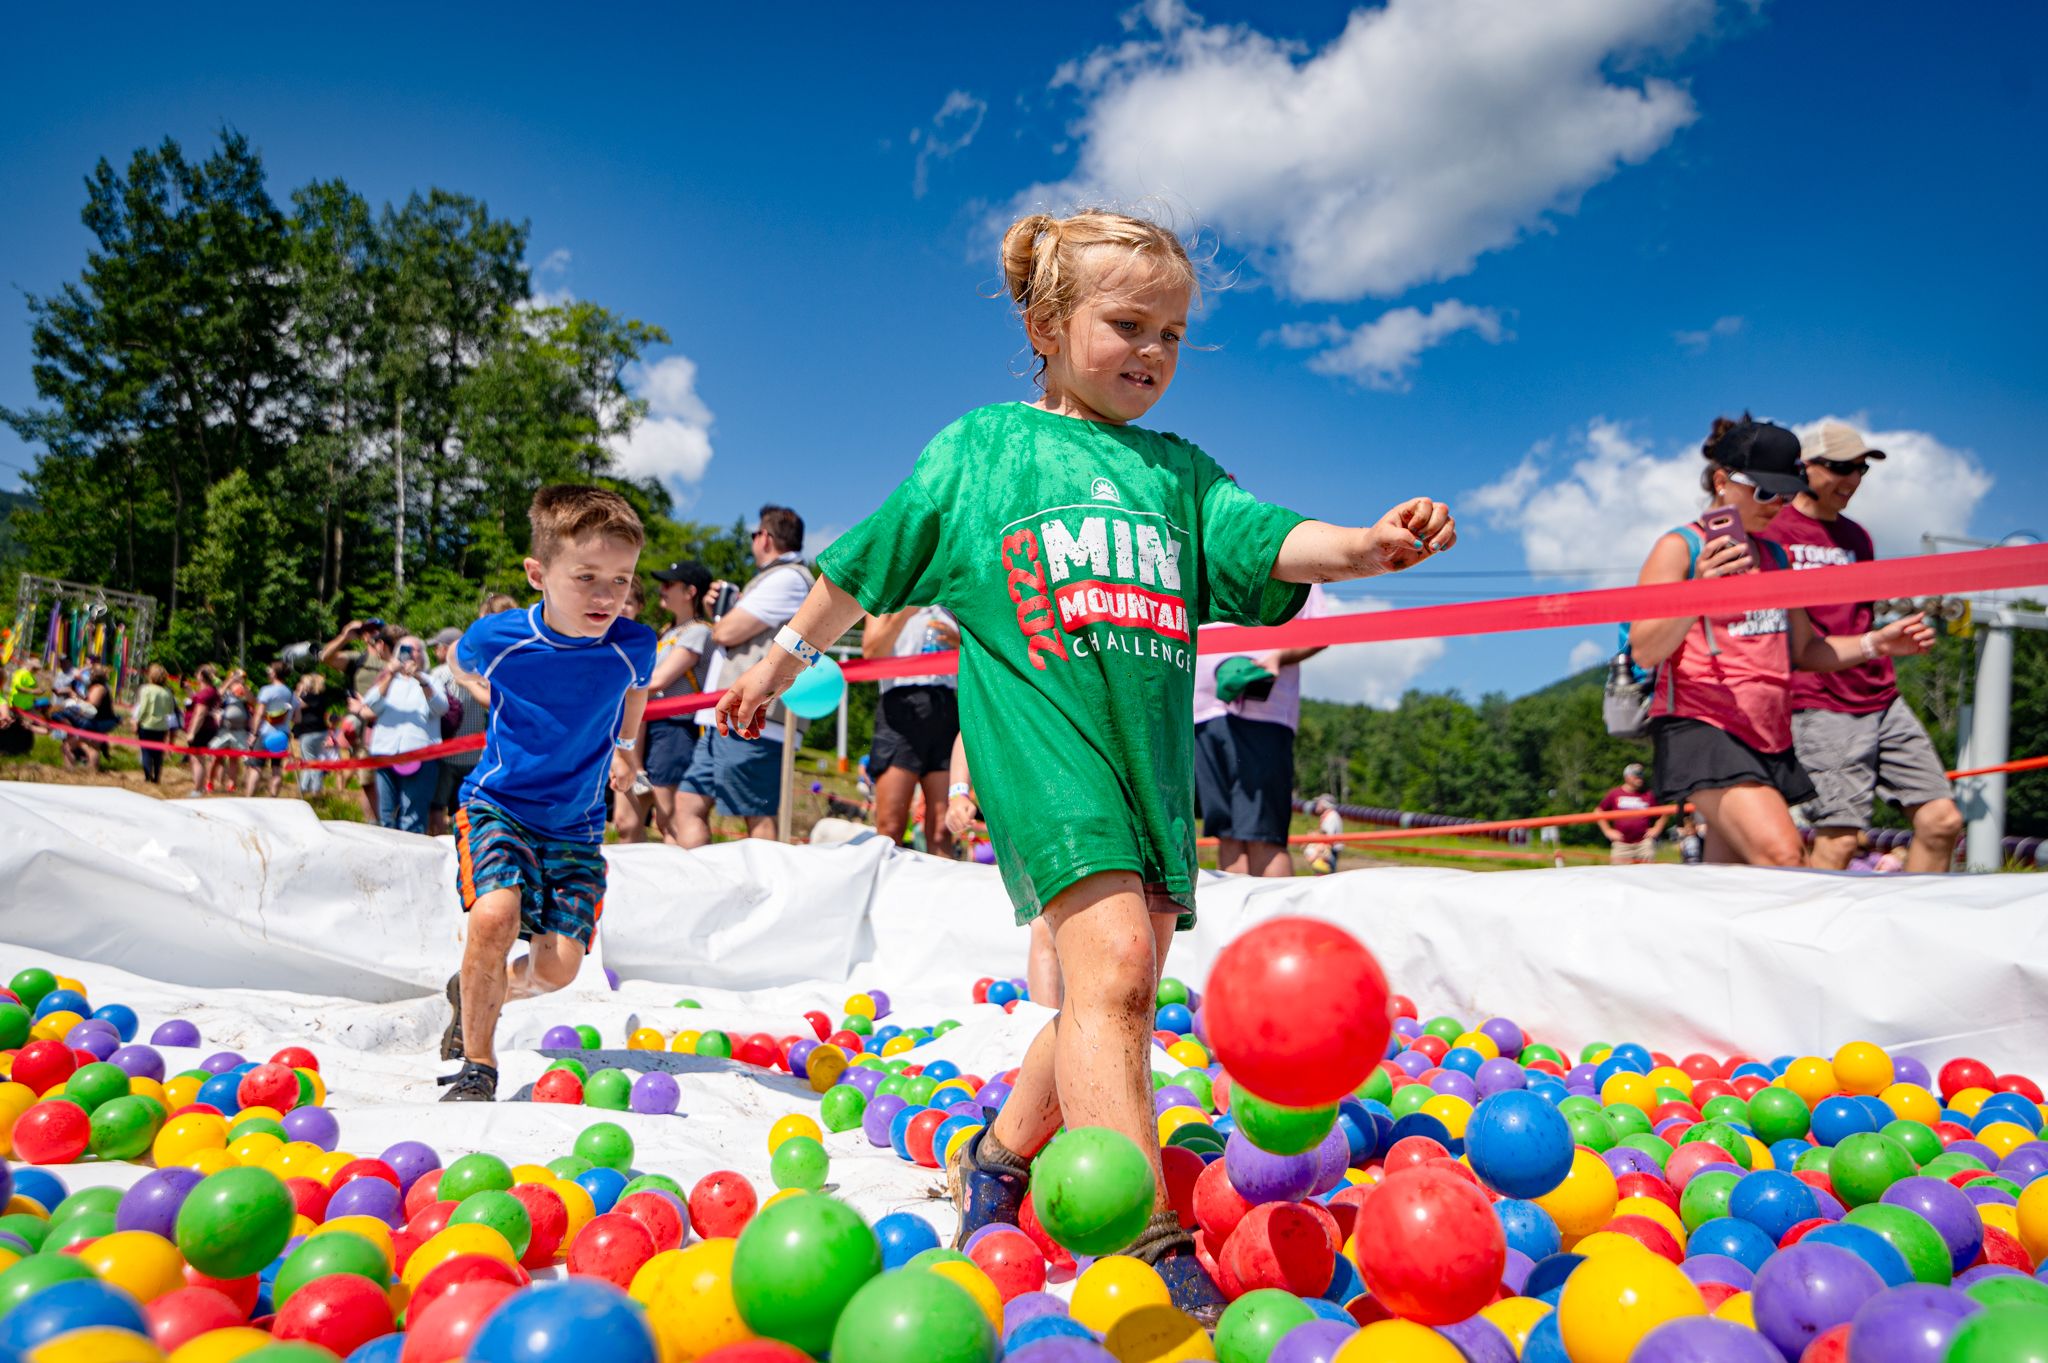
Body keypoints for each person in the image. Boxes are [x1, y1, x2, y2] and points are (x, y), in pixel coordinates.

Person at [713, 209, 1458, 1318]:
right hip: (1040, 753)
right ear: (1046, 324)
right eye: (1125, 324)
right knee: (1107, 966)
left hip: (1142, 765)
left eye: (1171, 333)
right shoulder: (984, 452)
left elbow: (1262, 538)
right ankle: (1147, 1242)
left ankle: (1001, 1162)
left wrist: (1361, 544)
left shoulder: (1177, 474)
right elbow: (868, 558)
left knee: (1119, 987)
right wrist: (780, 658)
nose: (1151, 352)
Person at [1627, 416, 1935, 868]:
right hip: (1704, 724)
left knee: (1731, 883)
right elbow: (1645, 650)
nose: (1777, 505)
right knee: (1783, 855)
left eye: (1787, 493)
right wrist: (1700, 593)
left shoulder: (1775, 556)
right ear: (1721, 481)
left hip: (1767, 733)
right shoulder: (1680, 546)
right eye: (1765, 492)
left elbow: (1805, 653)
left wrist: (1879, 643)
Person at [437, 485, 655, 1102]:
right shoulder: (501, 638)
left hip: (576, 824)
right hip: (497, 804)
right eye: (587, 576)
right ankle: (478, 1065)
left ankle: (477, 988)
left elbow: (636, 688)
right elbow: (459, 655)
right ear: (539, 573)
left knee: (557, 970)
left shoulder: (632, 643)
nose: (606, 595)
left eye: (620, 579)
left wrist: (623, 744)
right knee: (496, 913)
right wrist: (478, 689)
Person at [1758, 420, 1963, 873]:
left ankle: (1911, 935)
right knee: (1840, 838)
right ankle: (1807, 939)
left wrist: (1898, 641)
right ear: (1802, 467)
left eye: (1860, 470)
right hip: (1818, 698)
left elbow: (1862, 619)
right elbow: (1792, 643)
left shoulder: (1858, 537)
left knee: (1942, 821)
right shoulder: (1775, 533)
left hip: (1881, 696)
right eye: (1839, 467)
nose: (1851, 479)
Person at [674, 506, 815, 846]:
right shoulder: (776, 579)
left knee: (757, 815)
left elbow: (725, 633)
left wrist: (720, 617)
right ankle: (703, 890)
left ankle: (766, 894)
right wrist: (722, 614)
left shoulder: (788, 577)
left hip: (755, 718)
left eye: (755, 535)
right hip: (730, 715)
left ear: (765, 537)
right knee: (688, 802)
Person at [1190, 587, 1332, 876]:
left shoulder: (1296, 552)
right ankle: (1238, 922)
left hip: (1263, 715)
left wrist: (1277, 657)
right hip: (1203, 713)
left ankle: (1278, 921)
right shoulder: (1206, 550)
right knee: (1226, 832)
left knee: (1263, 833)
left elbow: (1321, 629)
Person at [947, 733, 1062, 1006]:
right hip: (1033, 811)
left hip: (1088, 802)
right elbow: (970, 723)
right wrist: (958, 792)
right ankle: (1049, 1026)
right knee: (1046, 920)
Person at [863, 605, 962, 856]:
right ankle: (883, 892)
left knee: (942, 829)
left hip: (946, 707)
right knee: (890, 825)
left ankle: (941, 894)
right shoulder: (888, 599)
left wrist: (959, 643)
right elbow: (871, 653)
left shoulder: (949, 602)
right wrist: (904, 613)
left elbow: (980, 657)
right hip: (900, 708)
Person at [643, 560, 715, 845]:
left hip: (676, 729)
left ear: (690, 592)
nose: (661, 589)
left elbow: (659, 680)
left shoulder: (698, 631)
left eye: (668, 584)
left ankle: (687, 879)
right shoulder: (669, 630)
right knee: (663, 817)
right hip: (657, 727)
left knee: (670, 816)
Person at [363, 631, 447, 834]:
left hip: (419, 756)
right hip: (385, 752)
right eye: (404, 649)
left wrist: (419, 678)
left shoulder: (430, 680)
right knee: (386, 815)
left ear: (422, 655)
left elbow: (441, 708)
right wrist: (390, 673)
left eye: (415, 649)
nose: (409, 654)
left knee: (413, 815)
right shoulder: (388, 681)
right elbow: (371, 704)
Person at [321, 618, 398, 823]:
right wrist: (345, 636)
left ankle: (391, 821)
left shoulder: (391, 659)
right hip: (364, 728)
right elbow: (325, 657)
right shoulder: (357, 659)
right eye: (367, 631)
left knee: (392, 776)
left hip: (391, 722)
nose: (371, 634)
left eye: (376, 630)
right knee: (367, 779)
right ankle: (373, 823)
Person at [430, 625, 491, 837]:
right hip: (474, 755)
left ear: (447, 648)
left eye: (437, 647)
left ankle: (437, 842)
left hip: (447, 752)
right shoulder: (481, 673)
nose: (435, 652)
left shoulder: (440, 674)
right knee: (463, 808)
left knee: (437, 806)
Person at [1597, 762, 1666, 864]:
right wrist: (1608, 831)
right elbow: (1598, 811)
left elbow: (1663, 813)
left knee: (1649, 874)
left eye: (1641, 775)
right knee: (1619, 876)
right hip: (1621, 845)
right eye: (1636, 775)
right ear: (1627, 776)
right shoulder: (1615, 793)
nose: (1640, 778)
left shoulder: (1648, 795)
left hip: (1643, 844)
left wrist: (1657, 829)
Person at [132, 664, 179, 784]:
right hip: (162, 726)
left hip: (147, 724)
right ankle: (157, 777)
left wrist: (137, 720)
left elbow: (143, 708)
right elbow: (170, 711)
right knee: (158, 753)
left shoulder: (146, 689)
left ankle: (148, 776)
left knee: (146, 751)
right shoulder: (168, 692)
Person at [183, 664, 222, 796]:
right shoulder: (210, 690)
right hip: (208, 728)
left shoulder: (205, 693)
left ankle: (197, 789)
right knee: (199, 759)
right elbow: (197, 700)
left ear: (201, 676)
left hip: (201, 730)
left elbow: (200, 713)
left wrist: (192, 732)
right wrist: (188, 689)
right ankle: (200, 787)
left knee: (197, 760)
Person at [292, 672, 333, 797]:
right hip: (319, 731)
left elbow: (296, 704)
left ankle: (314, 789)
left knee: (311, 761)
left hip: (310, 732)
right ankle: (305, 787)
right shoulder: (321, 696)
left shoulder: (311, 696)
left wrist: (298, 692)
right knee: (309, 760)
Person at [1301, 794, 1345, 874]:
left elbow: (1327, 838)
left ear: (1325, 804)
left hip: (1328, 853)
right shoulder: (1329, 816)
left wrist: (1315, 854)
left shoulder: (1331, 817)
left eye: (1319, 803)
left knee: (1325, 880)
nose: (1317, 805)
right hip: (1327, 852)